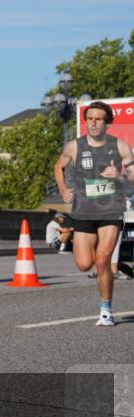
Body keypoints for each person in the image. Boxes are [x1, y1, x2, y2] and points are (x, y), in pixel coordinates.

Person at [54, 100, 134, 327]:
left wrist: (118, 176)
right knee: (84, 264)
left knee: (103, 260)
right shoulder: (74, 146)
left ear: (107, 123)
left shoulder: (120, 146)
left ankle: (106, 310)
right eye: (90, 118)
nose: (93, 123)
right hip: (83, 212)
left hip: (111, 210)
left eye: (98, 119)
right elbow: (58, 166)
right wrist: (63, 190)